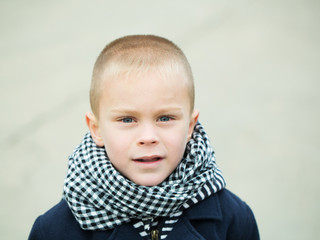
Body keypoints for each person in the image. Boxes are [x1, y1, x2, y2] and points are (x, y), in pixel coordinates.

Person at [28, 35, 259, 240]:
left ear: (190, 126)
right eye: (127, 120)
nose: (148, 137)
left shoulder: (233, 220)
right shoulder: (54, 230)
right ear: (96, 129)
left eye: (165, 118)